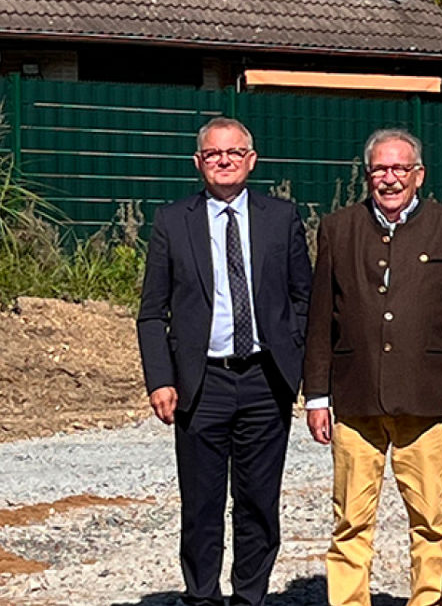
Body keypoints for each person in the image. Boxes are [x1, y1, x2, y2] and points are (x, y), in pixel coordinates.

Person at [137, 116, 312, 606]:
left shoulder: (282, 217)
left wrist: (292, 360)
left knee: (257, 503)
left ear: (251, 161)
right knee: (201, 505)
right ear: (198, 163)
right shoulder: (173, 221)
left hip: (264, 380)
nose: (224, 162)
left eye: (234, 153)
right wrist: (161, 379)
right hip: (201, 383)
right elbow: (152, 312)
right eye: (214, 154)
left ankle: (250, 597)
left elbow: (305, 296)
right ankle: (201, 596)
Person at [303, 128, 442, 606]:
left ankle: (428, 599)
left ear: (419, 175)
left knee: (429, 519)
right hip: (355, 399)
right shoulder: (339, 228)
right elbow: (320, 316)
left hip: (425, 400)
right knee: (351, 519)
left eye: (400, 168)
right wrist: (317, 394)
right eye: (380, 169)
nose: (390, 178)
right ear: (367, 176)